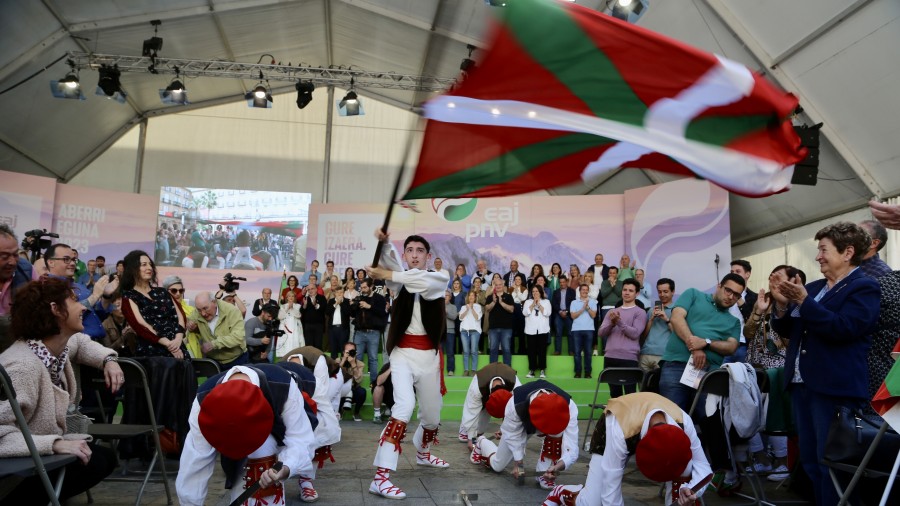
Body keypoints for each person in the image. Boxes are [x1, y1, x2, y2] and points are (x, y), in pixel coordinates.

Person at [770, 221, 880, 506]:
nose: (818, 256)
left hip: (834, 388)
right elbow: (789, 331)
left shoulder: (864, 287)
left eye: (823, 249)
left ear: (847, 252)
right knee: (810, 461)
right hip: (801, 385)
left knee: (833, 465)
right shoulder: (814, 286)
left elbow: (845, 328)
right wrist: (782, 306)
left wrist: (805, 302)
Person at [0, 277, 122, 503]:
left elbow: (82, 343)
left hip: (38, 458)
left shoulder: (56, 345)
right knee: (96, 460)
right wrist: (54, 444)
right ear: (56, 309)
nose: (84, 306)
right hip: (13, 476)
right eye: (75, 300)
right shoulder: (22, 366)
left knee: (103, 457)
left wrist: (108, 360)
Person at [365, 231, 451, 499]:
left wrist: (386, 275)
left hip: (429, 357)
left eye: (420, 251)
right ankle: (381, 477)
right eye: (409, 250)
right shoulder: (399, 281)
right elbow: (391, 265)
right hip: (402, 354)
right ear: (405, 255)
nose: (414, 254)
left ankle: (423, 453)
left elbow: (411, 279)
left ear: (428, 256)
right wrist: (385, 242)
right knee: (403, 406)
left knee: (432, 415)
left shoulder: (439, 278)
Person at [176, 364, 317, 506]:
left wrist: (285, 468)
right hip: (230, 435)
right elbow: (194, 463)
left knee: (262, 452)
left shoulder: (283, 385)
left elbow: (301, 439)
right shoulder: (202, 402)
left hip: (278, 432)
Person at [543, 392, 711, 506]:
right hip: (614, 422)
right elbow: (611, 487)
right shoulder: (619, 430)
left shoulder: (684, 422)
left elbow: (703, 467)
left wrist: (692, 488)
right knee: (592, 503)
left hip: (645, 423)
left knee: (686, 476)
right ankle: (562, 492)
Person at [657, 273, 744, 412]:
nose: (731, 297)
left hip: (708, 374)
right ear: (719, 286)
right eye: (728, 290)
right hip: (677, 364)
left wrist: (706, 342)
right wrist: (695, 348)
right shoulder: (693, 294)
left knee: (706, 421)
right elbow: (676, 318)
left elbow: (732, 347)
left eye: (736, 295)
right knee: (673, 418)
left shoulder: (734, 322)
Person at [473, 380, 579, 490]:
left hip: (545, 424)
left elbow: (572, 447)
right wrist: (519, 463)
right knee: (497, 466)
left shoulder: (569, 407)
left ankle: (544, 471)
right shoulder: (515, 405)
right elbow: (513, 436)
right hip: (519, 426)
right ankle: (482, 442)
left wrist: (557, 467)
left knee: (558, 435)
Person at [119, 250, 187, 359]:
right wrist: (169, 345)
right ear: (132, 269)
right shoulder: (129, 297)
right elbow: (141, 325)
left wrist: (178, 339)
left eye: (150, 264)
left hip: (179, 348)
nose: (149, 268)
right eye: (144, 265)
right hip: (153, 354)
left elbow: (180, 316)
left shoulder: (162, 292)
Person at [598, 279, 647, 397]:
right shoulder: (612, 312)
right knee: (615, 394)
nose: (627, 292)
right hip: (610, 357)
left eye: (631, 290)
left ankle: (630, 416)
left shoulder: (640, 312)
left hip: (629, 358)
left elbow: (635, 333)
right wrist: (612, 323)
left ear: (637, 294)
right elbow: (601, 333)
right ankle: (616, 416)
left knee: (630, 395)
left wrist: (619, 322)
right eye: (625, 289)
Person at [459, 362, 521, 447]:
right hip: (482, 389)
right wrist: (471, 438)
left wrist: (504, 429)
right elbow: (471, 411)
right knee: (474, 431)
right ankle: (464, 429)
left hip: (505, 396)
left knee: (480, 432)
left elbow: (514, 413)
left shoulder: (516, 387)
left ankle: (478, 433)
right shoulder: (477, 387)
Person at [193, 291, 249, 369]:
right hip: (212, 361)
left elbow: (238, 337)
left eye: (205, 308)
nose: (203, 313)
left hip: (236, 360)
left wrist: (214, 344)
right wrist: (190, 323)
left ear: (214, 302)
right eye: (199, 310)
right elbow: (191, 319)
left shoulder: (232, 311)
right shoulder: (198, 312)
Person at [350, 277, 388, 383]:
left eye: (365, 287)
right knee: (356, 358)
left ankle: (373, 385)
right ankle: (356, 384)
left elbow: (383, 313)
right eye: (361, 287)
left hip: (374, 332)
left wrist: (369, 306)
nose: (363, 289)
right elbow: (353, 314)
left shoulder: (379, 298)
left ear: (371, 286)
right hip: (359, 332)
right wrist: (352, 306)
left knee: (373, 359)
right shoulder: (359, 297)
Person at [639, 278, 675, 372]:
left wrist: (666, 319)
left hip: (663, 355)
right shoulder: (651, 310)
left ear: (673, 292)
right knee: (643, 386)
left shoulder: (676, 310)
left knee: (661, 386)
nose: (662, 295)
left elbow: (678, 334)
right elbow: (643, 335)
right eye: (659, 292)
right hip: (645, 354)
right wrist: (651, 320)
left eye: (665, 291)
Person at [162, 275, 203, 358]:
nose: (178, 294)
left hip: (191, 353)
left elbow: (204, 333)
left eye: (181, 290)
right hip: (168, 352)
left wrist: (196, 328)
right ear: (165, 291)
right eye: (174, 291)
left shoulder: (192, 310)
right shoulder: (160, 310)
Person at [485, 276, 516, 366]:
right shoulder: (490, 297)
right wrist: (494, 302)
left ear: (503, 286)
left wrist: (501, 302)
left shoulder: (509, 296)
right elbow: (487, 309)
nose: (498, 286)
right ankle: (492, 370)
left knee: (506, 349)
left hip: (506, 328)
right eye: (496, 285)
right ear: (494, 286)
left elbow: (511, 309)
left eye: (500, 285)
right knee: (493, 349)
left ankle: (507, 370)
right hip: (493, 328)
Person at [569, 283, 597, 379]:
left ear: (588, 291)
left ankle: (588, 373)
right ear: (579, 291)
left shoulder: (593, 302)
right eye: (583, 289)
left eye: (586, 289)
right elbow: (573, 316)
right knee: (577, 353)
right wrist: (582, 308)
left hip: (589, 329)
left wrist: (588, 307)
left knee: (588, 353)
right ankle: (578, 372)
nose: (585, 291)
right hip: (576, 330)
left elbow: (593, 315)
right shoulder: (574, 302)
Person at [523, 285, 551, 378]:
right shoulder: (528, 302)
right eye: (533, 291)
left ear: (540, 292)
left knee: (542, 350)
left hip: (543, 329)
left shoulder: (546, 302)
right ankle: (532, 370)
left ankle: (542, 370)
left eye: (537, 291)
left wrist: (539, 304)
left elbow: (547, 313)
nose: (535, 293)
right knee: (531, 351)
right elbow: (525, 313)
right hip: (531, 330)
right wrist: (532, 304)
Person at [337, 341, 366, 421]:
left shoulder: (360, 364)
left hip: (353, 389)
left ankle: (356, 413)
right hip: (341, 389)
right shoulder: (337, 361)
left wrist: (353, 364)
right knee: (334, 390)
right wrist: (343, 361)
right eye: (347, 351)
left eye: (352, 351)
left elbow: (359, 380)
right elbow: (334, 376)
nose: (350, 353)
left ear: (355, 352)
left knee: (362, 392)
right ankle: (339, 410)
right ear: (343, 352)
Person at [459, 290, 483, 376]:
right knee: (466, 351)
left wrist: (472, 308)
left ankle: (473, 370)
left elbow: (477, 317)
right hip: (464, 331)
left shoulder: (478, 307)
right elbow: (460, 318)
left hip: (475, 331)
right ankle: (466, 370)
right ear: (468, 297)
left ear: (475, 297)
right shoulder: (463, 307)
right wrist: (467, 309)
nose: (471, 297)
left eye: (473, 295)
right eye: (470, 295)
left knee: (473, 351)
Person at [550, 275, 575, 357]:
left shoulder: (572, 291)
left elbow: (573, 303)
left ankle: (571, 351)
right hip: (558, 314)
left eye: (563, 282)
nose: (562, 284)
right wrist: (560, 311)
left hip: (568, 314)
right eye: (560, 282)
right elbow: (554, 303)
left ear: (567, 282)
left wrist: (566, 311)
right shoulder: (556, 292)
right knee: (558, 333)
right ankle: (557, 350)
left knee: (570, 333)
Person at [301, 276, 327, 350]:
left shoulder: (322, 298)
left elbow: (324, 309)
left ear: (316, 289)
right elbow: (301, 312)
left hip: (319, 325)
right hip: (308, 325)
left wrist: (316, 305)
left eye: (312, 289)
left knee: (318, 345)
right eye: (308, 289)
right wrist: (304, 305)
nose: (310, 290)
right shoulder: (305, 298)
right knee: (308, 346)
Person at [275, 291, 303, 359]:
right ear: (286, 298)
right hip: (284, 328)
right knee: (285, 343)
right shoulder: (282, 306)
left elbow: (298, 315)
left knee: (294, 343)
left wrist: (292, 307)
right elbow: (280, 317)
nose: (291, 297)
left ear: (294, 298)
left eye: (292, 296)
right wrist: (287, 308)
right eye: (289, 296)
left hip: (295, 328)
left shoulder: (298, 306)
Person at [326, 285, 351, 359]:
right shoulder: (331, 301)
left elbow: (348, 313)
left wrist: (341, 303)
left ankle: (344, 368)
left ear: (343, 293)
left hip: (343, 329)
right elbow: (327, 312)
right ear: (334, 293)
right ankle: (334, 369)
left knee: (343, 349)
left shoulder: (347, 301)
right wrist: (336, 304)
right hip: (332, 329)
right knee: (333, 349)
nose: (339, 294)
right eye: (338, 292)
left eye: (341, 292)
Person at [443, 290, 459, 376]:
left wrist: (447, 313)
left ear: (450, 297)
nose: (445, 297)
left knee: (450, 352)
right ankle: (439, 369)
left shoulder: (453, 307)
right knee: (439, 352)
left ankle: (450, 370)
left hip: (450, 331)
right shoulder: (438, 306)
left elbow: (454, 317)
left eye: (447, 295)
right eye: (444, 295)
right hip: (440, 332)